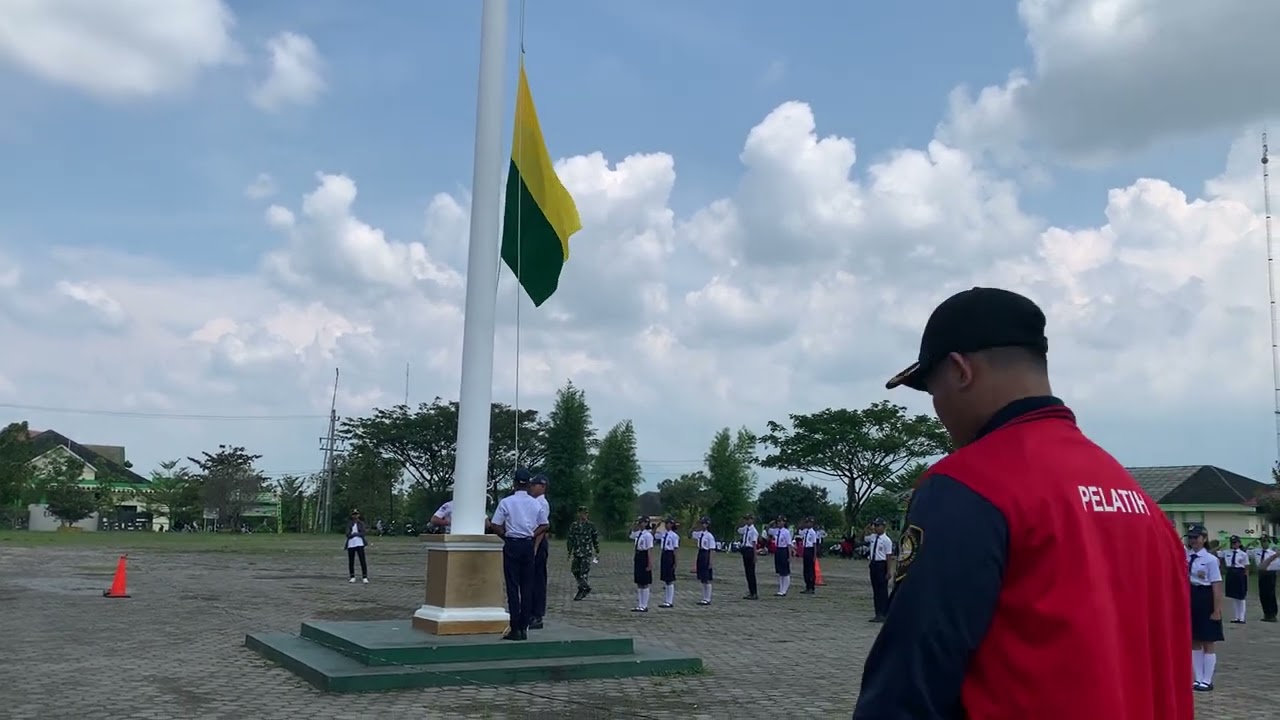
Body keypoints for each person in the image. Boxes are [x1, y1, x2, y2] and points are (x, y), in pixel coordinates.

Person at [853, 287, 1191, 719]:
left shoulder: (969, 485)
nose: (938, 409)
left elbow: (910, 682)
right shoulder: (1137, 499)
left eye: (933, 391)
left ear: (960, 371)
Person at [488, 469, 549, 642]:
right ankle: (524, 627)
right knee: (527, 586)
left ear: (514, 483)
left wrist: (505, 535)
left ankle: (515, 628)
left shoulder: (507, 502)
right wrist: (531, 533)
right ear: (528, 484)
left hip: (513, 544)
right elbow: (545, 525)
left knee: (513, 587)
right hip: (528, 544)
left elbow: (495, 524)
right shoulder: (535, 503)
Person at [1187, 525, 1224, 691]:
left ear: (1204, 538)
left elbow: (1216, 585)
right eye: (1191, 537)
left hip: (1206, 597)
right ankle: (1198, 678)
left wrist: (1216, 609)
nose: (1193, 540)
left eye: (1197, 537)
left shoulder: (1210, 559)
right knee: (1194, 640)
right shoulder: (1187, 557)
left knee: (1208, 640)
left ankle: (1207, 680)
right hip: (1191, 595)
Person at [528, 473, 551, 630]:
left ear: (542, 486)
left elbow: (542, 527)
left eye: (534, 485)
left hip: (538, 542)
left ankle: (537, 615)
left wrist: (535, 548)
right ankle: (530, 611)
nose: (531, 487)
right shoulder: (533, 502)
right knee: (530, 579)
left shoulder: (542, 503)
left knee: (538, 580)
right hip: (532, 541)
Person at [566, 505, 599, 601]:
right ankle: (585, 587)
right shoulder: (574, 525)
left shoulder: (591, 525)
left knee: (583, 572)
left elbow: (595, 538)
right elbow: (571, 538)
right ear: (578, 514)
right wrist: (569, 550)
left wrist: (597, 550)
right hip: (577, 552)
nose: (583, 515)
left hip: (586, 552)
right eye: (581, 513)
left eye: (585, 513)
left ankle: (582, 589)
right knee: (575, 570)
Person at [864, 519, 893, 621]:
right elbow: (862, 538)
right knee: (875, 590)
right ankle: (877, 613)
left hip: (882, 564)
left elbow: (888, 556)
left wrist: (889, 571)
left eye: (878, 526)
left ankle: (883, 613)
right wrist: (867, 528)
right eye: (875, 525)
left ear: (883, 527)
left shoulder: (886, 540)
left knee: (882, 590)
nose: (876, 528)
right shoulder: (873, 537)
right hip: (874, 564)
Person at [1218, 535, 1249, 623]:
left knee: (1241, 596)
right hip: (1231, 572)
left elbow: (1246, 566)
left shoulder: (1243, 554)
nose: (1233, 544)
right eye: (1232, 543)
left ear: (1239, 543)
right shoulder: (1226, 552)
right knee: (1234, 596)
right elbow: (1214, 553)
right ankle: (1236, 617)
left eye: (1235, 543)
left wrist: (1245, 577)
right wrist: (1220, 546)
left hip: (1240, 573)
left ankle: (1242, 617)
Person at [629, 516, 655, 612]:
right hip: (638, 556)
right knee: (639, 582)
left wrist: (650, 563)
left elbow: (649, 550)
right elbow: (630, 535)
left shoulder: (648, 535)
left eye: (642, 522)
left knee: (645, 582)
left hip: (644, 556)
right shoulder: (638, 533)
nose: (640, 524)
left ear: (646, 523)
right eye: (639, 522)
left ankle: (644, 605)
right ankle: (640, 604)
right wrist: (634, 525)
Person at [655, 517, 680, 608]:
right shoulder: (663, 534)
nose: (667, 525)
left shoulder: (674, 536)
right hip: (664, 554)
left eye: (669, 523)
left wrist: (675, 561)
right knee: (665, 578)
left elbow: (675, 549)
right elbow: (653, 535)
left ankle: (669, 601)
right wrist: (656, 527)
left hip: (670, 555)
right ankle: (666, 600)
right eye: (666, 523)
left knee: (669, 579)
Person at [692, 516, 715, 605]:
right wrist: (695, 525)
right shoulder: (700, 534)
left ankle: (707, 598)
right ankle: (704, 597)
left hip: (706, 554)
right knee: (702, 577)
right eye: (702, 523)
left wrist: (710, 561)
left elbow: (712, 549)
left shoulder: (709, 536)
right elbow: (691, 533)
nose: (702, 525)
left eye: (704, 523)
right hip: (700, 553)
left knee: (707, 578)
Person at [1255, 536, 1278, 621]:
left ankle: (1272, 614)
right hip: (1261, 573)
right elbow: (1244, 550)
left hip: (1270, 573)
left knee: (1270, 594)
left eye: (1265, 541)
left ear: (1268, 542)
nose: (1263, 543)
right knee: (1263, 594)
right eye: (1262, 542)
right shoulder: (1256, 551)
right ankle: (1266, 613)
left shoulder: (1272, 553)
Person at [737, 514, 760, 600]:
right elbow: (738, 530)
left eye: (748, 519)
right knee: (747, 572)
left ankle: (754, 592)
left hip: (750, 550)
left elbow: (754, 544)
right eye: (746, 519)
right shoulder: (746, 528)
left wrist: (755, 555)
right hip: (745, 550)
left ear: (752, 520)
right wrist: (740, 522)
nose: (747, 521)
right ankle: (751, 591)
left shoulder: (753, 531)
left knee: (751, 573)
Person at [344, 509, 369, 584]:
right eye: (354, 514)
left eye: (356, 514)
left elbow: (363, 533)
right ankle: (352, 576)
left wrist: (355, 534)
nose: (355, 516)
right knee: (351, 561)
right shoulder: (349, 524)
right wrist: (354, 534)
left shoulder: (361, 523)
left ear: (358, 515)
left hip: (359, 543)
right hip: (351, 544)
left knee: (362, 560)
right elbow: (347, 534)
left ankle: (364, 576)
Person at [771, 516, 792, 596]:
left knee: (785, 571)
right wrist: (772, 523)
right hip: (778, 550)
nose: (779, 523)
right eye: (778, 521)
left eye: (781, 521)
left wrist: (789, 556)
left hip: (784, 550)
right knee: (780, 571)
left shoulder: (786, 532)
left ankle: (784, 590)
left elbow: (789, 544)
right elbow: (768, 529)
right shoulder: (776, 531)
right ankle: (780, 589)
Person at [799, 517, 819, 594]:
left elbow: (814, 544)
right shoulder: (805, 531)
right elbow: (799, 529)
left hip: (810, 549)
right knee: (806, 569)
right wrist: (802, 523)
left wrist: (814, 555)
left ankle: (811, 586)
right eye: (807, 522)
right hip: (805, 549)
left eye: (809, 523)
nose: (808, 524)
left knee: (811, 569)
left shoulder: (813, 532)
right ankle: (807, 585)